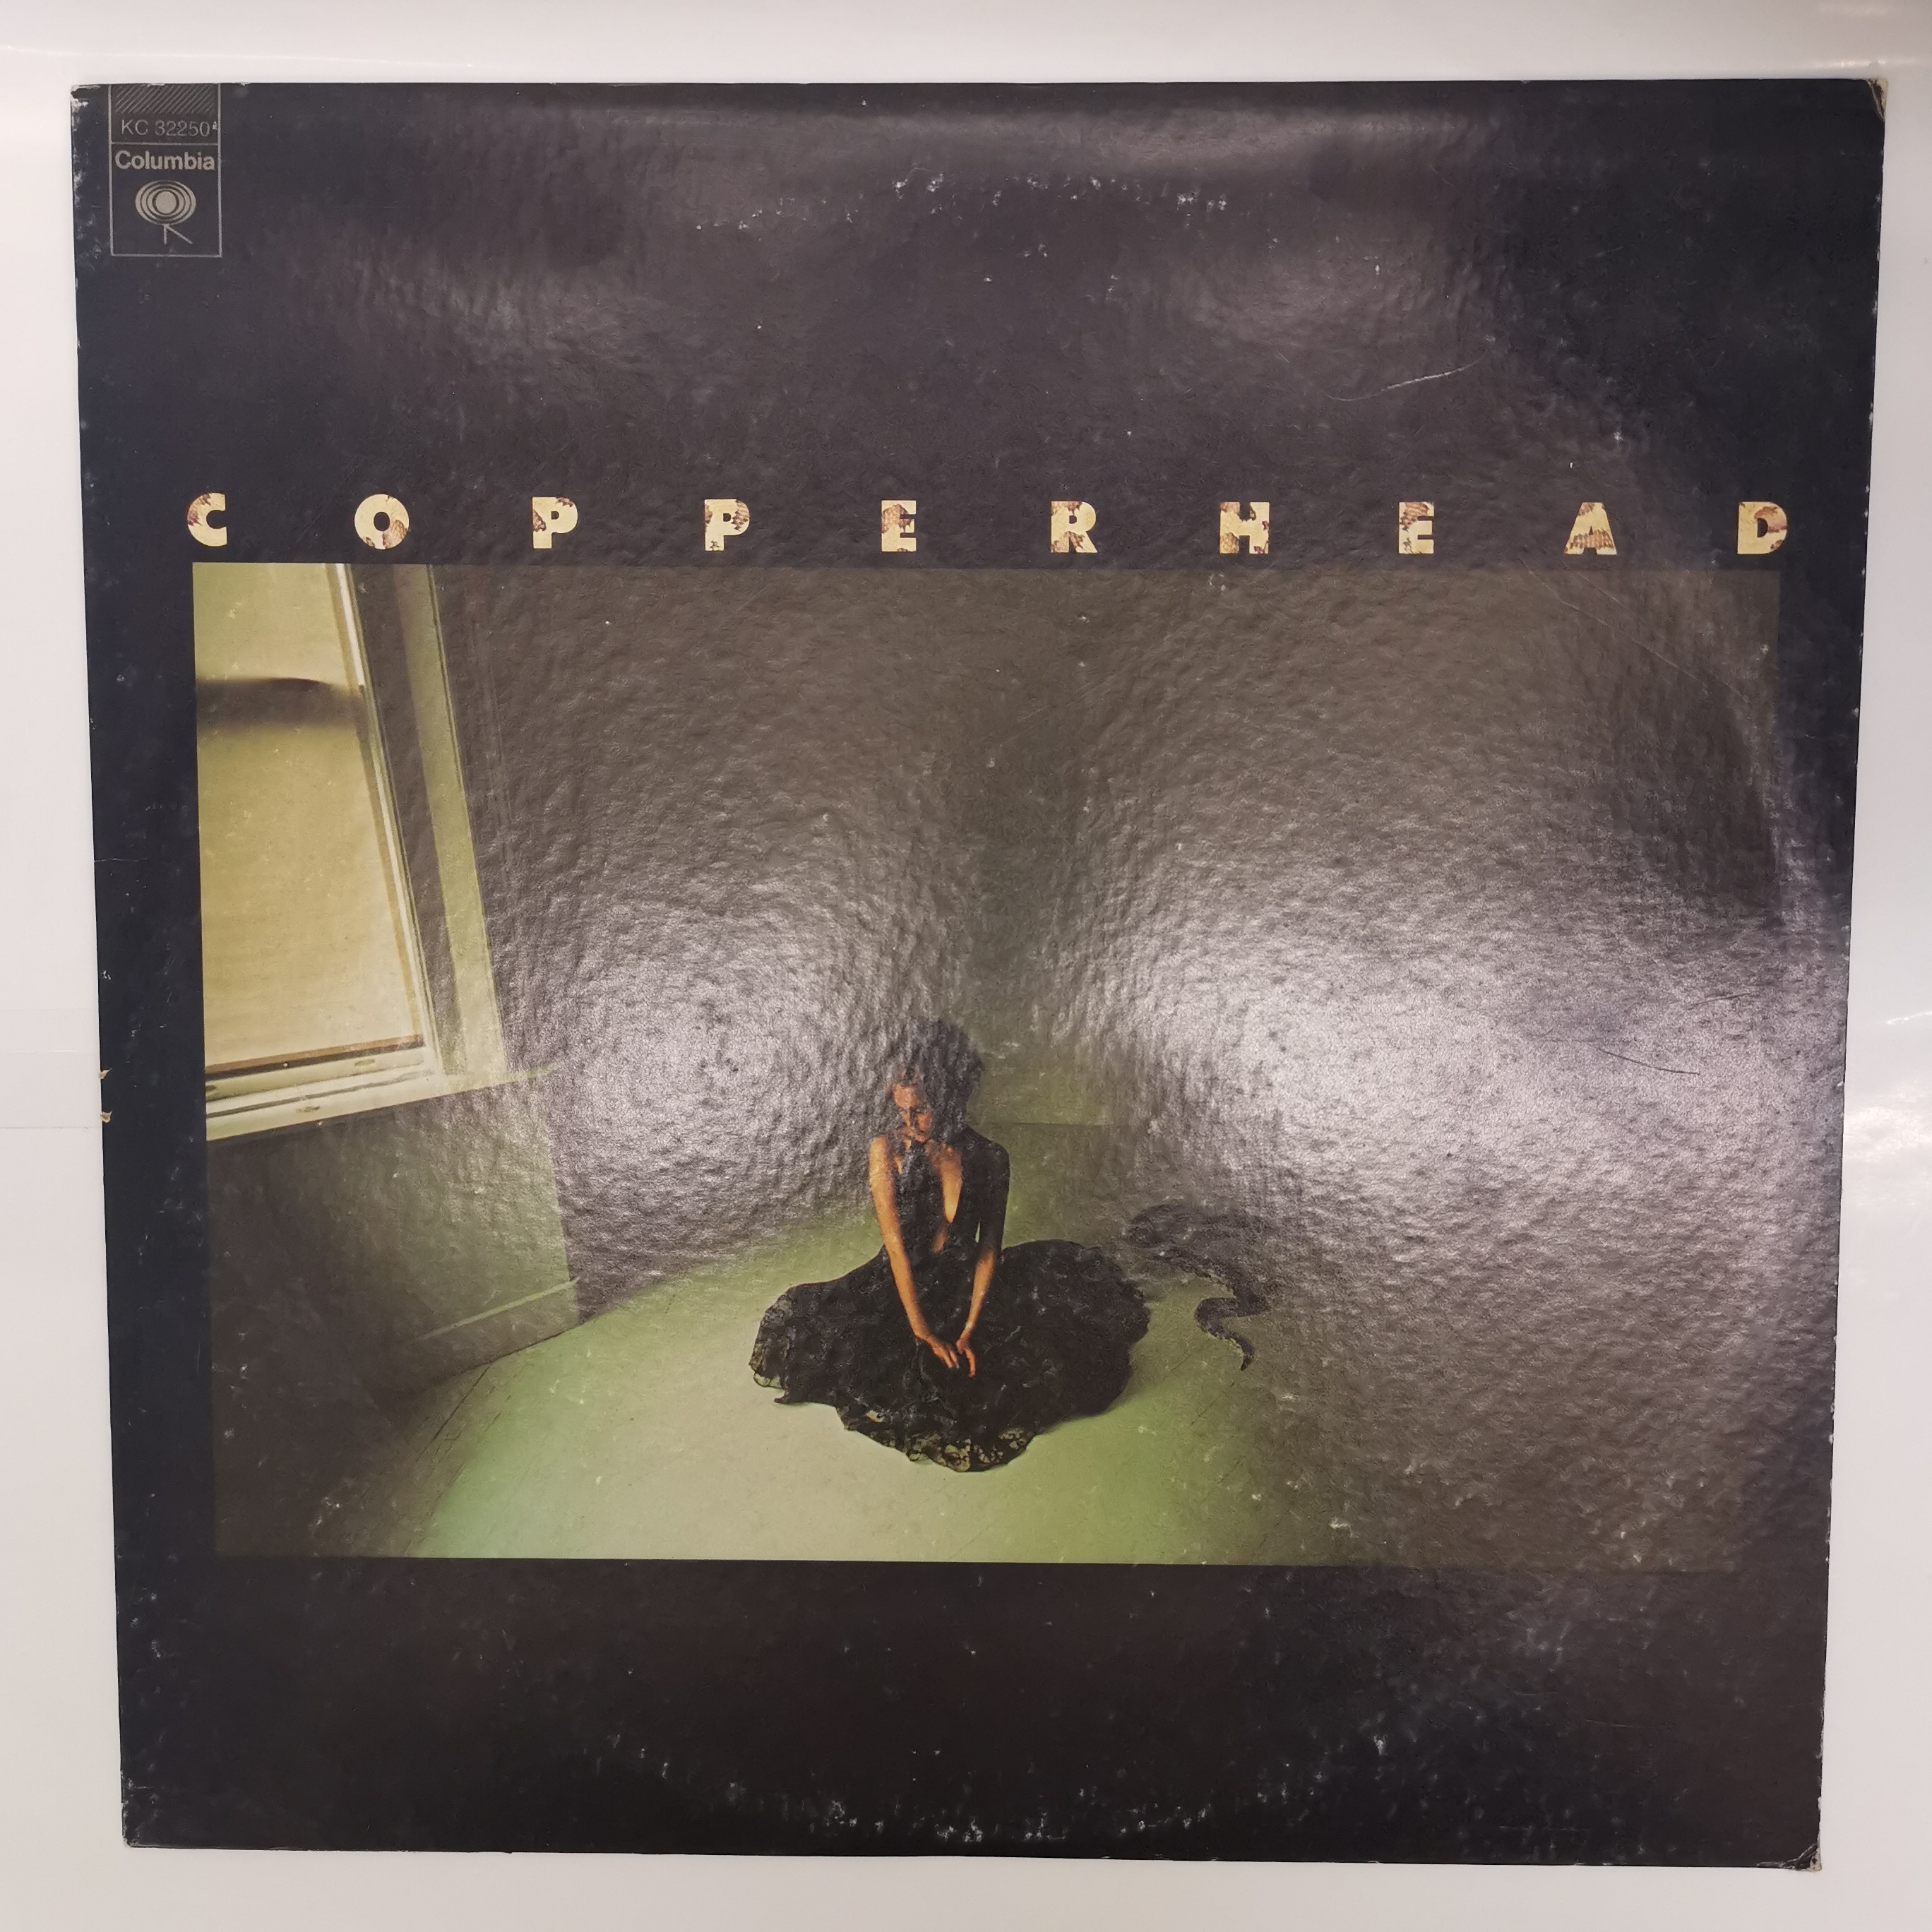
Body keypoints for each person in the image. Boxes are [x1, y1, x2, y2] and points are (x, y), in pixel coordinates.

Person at [749, 1020, 1148, 1471]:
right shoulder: (887, 1151)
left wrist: (970, 1328)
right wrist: (921, 1331)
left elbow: (989, 1249)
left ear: (952, 1097)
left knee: (1017, 1366)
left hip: (964, 1285)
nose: (908, 1122)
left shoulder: (991, 1157)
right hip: (899, 1285)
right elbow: (896, 1249)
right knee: (865, 1356)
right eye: (901, 1110)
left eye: (920, 1110)